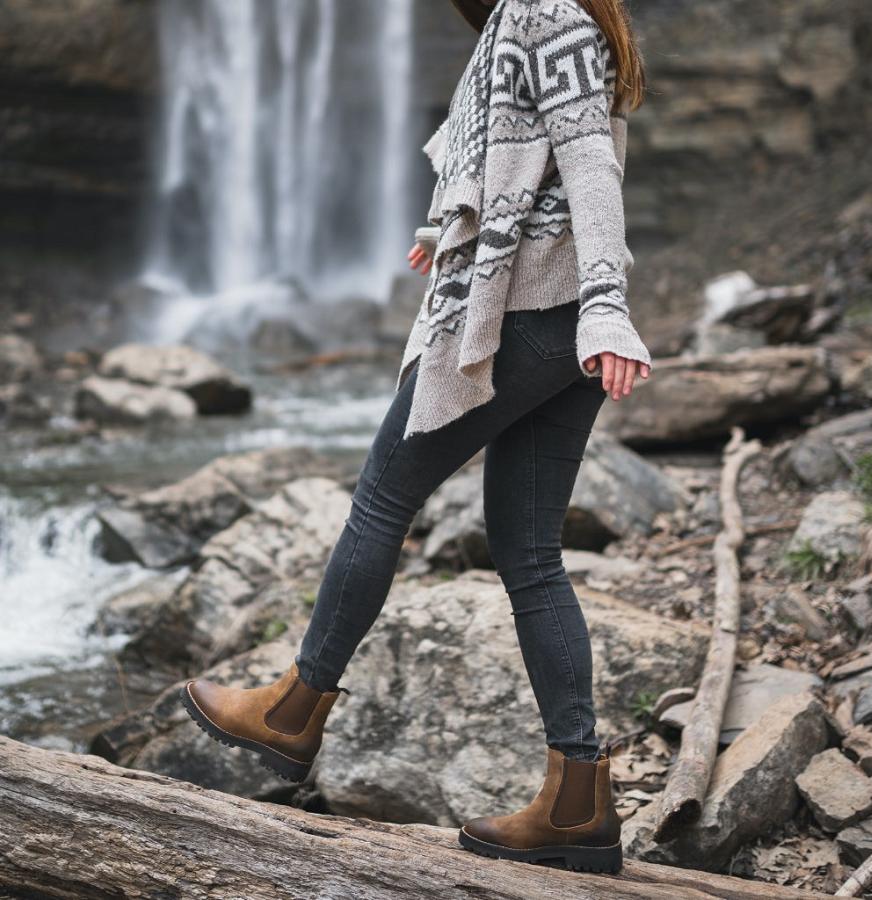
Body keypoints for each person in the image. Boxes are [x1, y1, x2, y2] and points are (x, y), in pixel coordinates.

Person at [180, 0, 650, 875]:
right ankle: (578, 799)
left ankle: (293, 709)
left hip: (532, 317)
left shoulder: (545, 13)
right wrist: (454, 225)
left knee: (384, 496)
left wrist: (606, 306)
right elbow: (544, 158)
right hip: (557, 323)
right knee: (530, 553)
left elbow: (592, 167)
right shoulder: (567, 20)